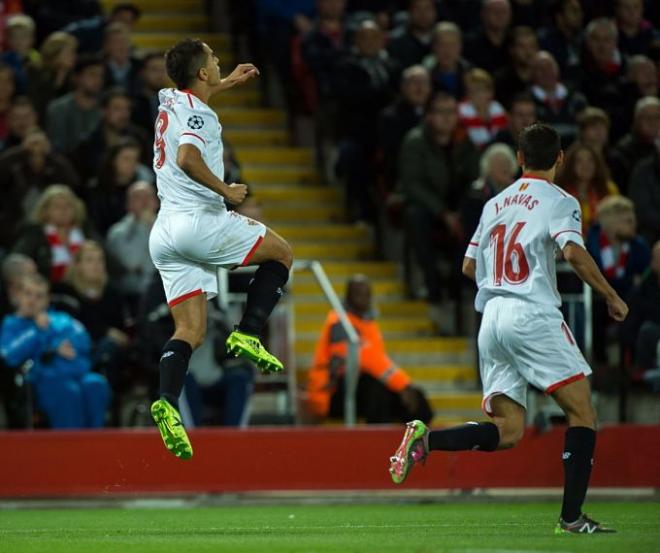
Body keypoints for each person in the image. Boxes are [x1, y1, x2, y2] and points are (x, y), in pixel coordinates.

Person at [389, 123, 628, 534]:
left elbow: (468, 265)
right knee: (582, 413)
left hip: (493, 317)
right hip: (532, 313)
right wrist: (610, 294)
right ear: (560, 159)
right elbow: (572, 250)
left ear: (519, 159)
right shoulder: (560, 200)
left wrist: (501, 282)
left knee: (509, 430)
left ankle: (426, 440)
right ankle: (571, 518)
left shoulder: (495, 203)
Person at [148, 39, 293, 459]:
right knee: (282, 253)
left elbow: (190, 96)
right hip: (200, 221)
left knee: (189, 331)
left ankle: (167, 401)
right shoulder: (200, 114)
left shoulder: (169, 99)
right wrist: (226, 190)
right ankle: (247, 333)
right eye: (214, 59)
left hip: (165, 232)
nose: (218, 60)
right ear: (202, 73)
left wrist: (225, 82)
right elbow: (189, 157)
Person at [306, 275, 432, 424]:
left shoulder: (368, 323)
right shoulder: (339, 322)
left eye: (366, 294)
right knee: (376, 387)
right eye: (358, 294)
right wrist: (403, 384)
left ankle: (419, 441)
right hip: (331, 394)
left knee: (417, 398)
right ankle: (376, 440)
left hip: (357, 389)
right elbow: (363, 357)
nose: (363, 298)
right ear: (348, 297)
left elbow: (377, 361)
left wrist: (406, 387)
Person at [399, 92, 480, 305]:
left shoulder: (464, 142)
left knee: (477, 213)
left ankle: (460, 283)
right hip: (428, 207)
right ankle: (432, 283)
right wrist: (444, 214)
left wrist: (460, 212)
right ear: (429, 116)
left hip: (456, 208)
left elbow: (475, 178)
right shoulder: (415, 141)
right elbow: (413, 185)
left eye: (451, 112)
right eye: (440, 112)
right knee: (416, 215)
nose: (447, 118)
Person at [0, 273, 110, 428]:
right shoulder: (11, 324)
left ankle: (97, 444)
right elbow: (8, 354)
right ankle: (70, 447)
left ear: (46, 300)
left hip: (75, 373)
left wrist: (56, 343)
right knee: (67, 391)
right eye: (28, 294)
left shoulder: (61, 319)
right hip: (43, 380)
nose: (32, 300)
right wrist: (38, 333)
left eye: (39, 296)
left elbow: (82, 339)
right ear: (19, 296)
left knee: (95, 384)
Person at [0, 128, 80, 250]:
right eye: (32, 145)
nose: (36, 150)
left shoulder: (54, 167)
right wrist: (21, 152)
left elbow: (72, 180)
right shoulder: (15, 166)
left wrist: (50, 154)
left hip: (50, 226)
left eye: (41, 145)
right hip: (16, 227)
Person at [12, 184, 95, 283]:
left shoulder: (85, 231)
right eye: (57, 206)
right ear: (45, 211)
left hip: (84, 287)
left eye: (68, 205)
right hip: (49, 288)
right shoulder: (35, 234)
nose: (63, 210)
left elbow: (112, 264)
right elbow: (16, 260)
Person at [377, 65, 431, 193]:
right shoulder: (390, 116)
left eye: (424, 83)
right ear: (403, 87)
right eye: (414, 83)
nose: (419, 88)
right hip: (403, 177)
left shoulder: (438, 111)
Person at [85, 137, 154, 236]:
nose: (131, 164)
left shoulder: (143, 188)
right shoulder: (97, 189)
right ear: (113, 160)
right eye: (126, 159)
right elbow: (96, 225)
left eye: (135, 159)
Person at [106, 180, 158, 307]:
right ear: (128, 205)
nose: (145, 202)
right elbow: (131, 262)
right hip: (134, 295)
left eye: (149, 196)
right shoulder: (118, 233)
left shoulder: (170, 227)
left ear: (156, 202)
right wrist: (143, 226)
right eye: (138, 198)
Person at [45, 54, 104, 155]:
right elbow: (57, 148)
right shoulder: (59, 109)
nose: (97, 80)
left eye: (100, 76)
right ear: (77, 78)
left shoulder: (105, 109)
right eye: (92, 74)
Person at [556, 142, 619, 232]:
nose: (586, 165)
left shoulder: (609, 189)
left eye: (590, 160)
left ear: (597, 164)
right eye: (579, 161)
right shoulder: (560, 191)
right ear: (571, 165)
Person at [529, 50, 586, 146]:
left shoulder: (575, 97)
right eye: (541, 69)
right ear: (533, 73)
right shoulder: (527, 101)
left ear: (557, 68)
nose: (546, 72)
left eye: (550, 67)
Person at [26, 31, 77, 122]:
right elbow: (38, 103)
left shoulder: (72, 77)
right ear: (56, 53)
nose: (73, 56)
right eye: (69, 52)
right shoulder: (34, 71)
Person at [458, 68, 508, 149]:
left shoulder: (498, 109)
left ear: (491, 92)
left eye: (479, 90)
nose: (476, 95)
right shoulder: (462, 111)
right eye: (471, 91)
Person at [422, 21, 471, 100]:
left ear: (460, 47)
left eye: (452, 45)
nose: (447, 50)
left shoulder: (471, 74)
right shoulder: (424, 76)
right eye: (442, 44)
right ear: (434, 47)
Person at [386, 0, 437, 72]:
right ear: (409, 12)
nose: (423, 14)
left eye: (427, 8)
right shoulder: (396, 42)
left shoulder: (440, 40)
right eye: (417, 9)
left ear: (435, 12)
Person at [464, 0, 512, 74]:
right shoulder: (469, 43)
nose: (499, 15)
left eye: (503, 12)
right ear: (483, 14)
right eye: (494, 11)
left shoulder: (514, 41)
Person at [494, 26, 539, 106]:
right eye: (522, 47)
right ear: (512, 50)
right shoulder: (501, 80)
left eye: (531, 46)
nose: (528, 52)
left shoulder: (543, 76)